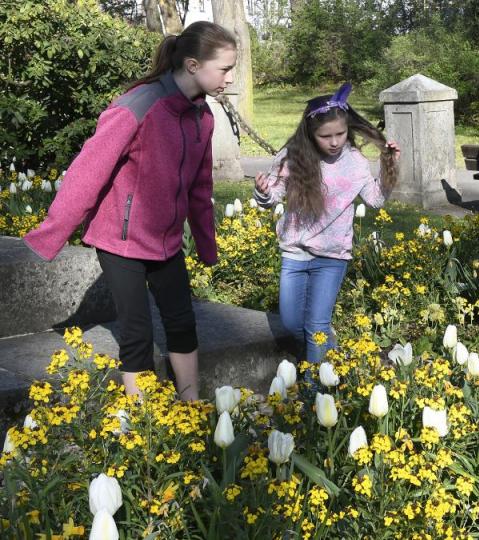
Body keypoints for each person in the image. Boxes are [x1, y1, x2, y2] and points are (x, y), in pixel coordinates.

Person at [23, 22, 238, 400]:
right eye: (224, 68)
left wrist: (206, 245)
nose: (230, 77)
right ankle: (143, 428)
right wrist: (52, 233)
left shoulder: (202, 117)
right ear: (192, 65)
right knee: (137, 333)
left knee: (182, 322)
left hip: (166, 241)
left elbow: (200, 190)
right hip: (120, 242)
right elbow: (86, 173)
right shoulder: (138, 105)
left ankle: (190, 407)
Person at [254, 83, 399, 364]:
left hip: (332, 256)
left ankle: (315, 391)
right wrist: (262, 192)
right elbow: (271, 198)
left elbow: (375, 200)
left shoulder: (354, 161)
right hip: (295, 253)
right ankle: (330, 353)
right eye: (326, 136)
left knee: (317, 326)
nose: (334, 142)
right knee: (293, 323)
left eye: (340, 134)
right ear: (311, 134)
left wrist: (388, 166)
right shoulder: (292, 157)